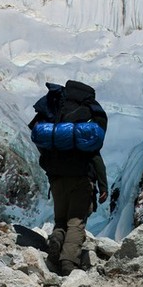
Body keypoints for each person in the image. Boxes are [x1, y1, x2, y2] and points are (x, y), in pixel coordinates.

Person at [29, 79, 108, 275]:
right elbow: (95, 156)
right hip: (81, 179)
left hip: (57, 178)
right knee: (76, 221)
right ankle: (69, 263)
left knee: (61, 219)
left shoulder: (56, 112)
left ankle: (56, 242)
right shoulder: (86, 117)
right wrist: (103, 185)